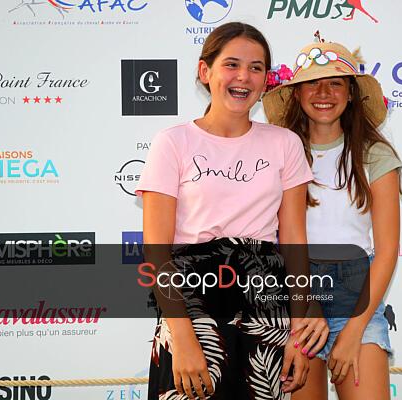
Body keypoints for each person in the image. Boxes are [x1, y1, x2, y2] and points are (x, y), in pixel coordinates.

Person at [136, 22, 328, 400]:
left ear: (266, 80)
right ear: (205, 71)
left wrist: (297, 332)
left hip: (265, 306)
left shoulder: (285, 144)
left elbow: (293, 243)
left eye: (256, 68)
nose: (244, 76)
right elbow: (156, 251)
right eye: (232, 64)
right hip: (190, 304)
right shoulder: (172, 142)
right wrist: (184, 337)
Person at [263, 38, 402, 400]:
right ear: (296, 93)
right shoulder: (279, 154)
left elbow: (387, 251)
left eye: (335, 83)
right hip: (295, 295)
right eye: (312, 82)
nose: (323, 93)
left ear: (352, 93)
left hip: (356, 299)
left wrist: (354, 330)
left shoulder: (375, 155)